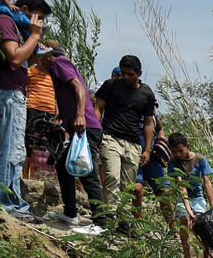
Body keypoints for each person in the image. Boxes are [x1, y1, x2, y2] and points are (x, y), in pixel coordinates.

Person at [0, 0, 49, 223]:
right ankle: (5, 202)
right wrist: (35, 36)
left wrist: (36, 43)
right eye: (38, 17)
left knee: (12, 150)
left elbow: (25, 61)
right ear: (24, 9)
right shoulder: (5, 21)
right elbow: (15, 58)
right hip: (6, 94)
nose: (39, 23)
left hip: (11, 93)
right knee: (12, 151)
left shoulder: (18, 29)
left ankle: (14, 202)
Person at [41, 45, 106, 234]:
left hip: (86, 127)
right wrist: (61, 116)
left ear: (48, 55)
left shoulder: (59, 62)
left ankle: (101, 223)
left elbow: (79, 87)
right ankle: (70, 213)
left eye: (39, 58)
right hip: (83, 126)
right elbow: (72, 93)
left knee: (88, 173)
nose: (38, 62)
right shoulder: (58, 68)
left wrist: (79, 115)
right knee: (63, 166)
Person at [94, 55, 156, 223]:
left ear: (139, 73)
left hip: (133, 144)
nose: (126, 77)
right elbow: (98, 108)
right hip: (110, 137)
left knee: (128, 186)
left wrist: (147, 149)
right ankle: (109, 216)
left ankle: (123, 221)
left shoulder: (147, 93)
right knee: (112, 177)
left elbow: (149, 123)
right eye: (123, 73)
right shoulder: (111, 85)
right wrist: (95, 133)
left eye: (130, 74)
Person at [167, 132, 213, 258]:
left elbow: (207, 183)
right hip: (183, 198)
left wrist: (212, 207)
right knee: (183, 219)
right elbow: (181, 185)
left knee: (204, 224)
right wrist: (188, 208)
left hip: (198, 197)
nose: (178, 154)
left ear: (187, 146)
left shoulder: (200, 160)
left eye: (181, 151)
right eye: (174, 151)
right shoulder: (173, 162)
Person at [22, 60, 58, 179]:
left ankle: (50, 176)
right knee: (29, 140)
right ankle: (25, 174)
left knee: (51, 144)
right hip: (33, 108)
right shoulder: (30, 71)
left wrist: (58, 115)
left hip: (50, 112)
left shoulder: (54, 74)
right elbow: (24, 89)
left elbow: (56, 95)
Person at [132, 115, 171, 221]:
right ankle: (137, 223)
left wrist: (160, 142)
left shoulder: (153, 110)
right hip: (133, 156)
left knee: (164, 191)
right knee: (137, 189)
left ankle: (173, 228)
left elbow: (159, 128)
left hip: (152, 158)